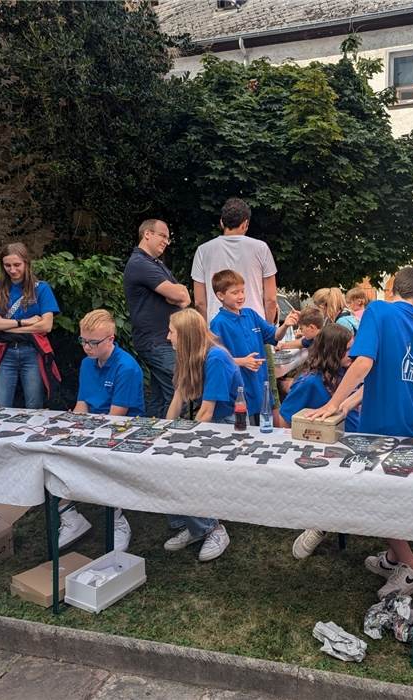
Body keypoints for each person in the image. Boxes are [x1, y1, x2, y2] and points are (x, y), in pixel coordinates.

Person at [309, 266, 413, 598]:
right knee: (393, 493)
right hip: (409, 418)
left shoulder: (378, 309)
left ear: (393, 289)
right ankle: (395, 556)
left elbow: (364, 362)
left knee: (380, 497)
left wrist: (333, 402)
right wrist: (348, 403)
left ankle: (412, 567)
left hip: (385, 424)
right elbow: (389, 371)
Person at [58, 309, 142, 551]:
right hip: (93, 426)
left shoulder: (127, 367)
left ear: (111, 339)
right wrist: (71, 426)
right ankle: (69, 515)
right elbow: (82, 403)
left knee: (100, 463)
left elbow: (117, 416)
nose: (87, 347)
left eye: (93, 342)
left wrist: (83, 431)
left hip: (123, 430)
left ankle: (117, 521)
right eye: (83, 341)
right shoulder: (87, 364)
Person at [164, 308, 239, 561]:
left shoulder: (216, 358)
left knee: (184, 468)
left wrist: (180, 440)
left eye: (172, 332)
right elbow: (178, 397)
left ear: (185, 335)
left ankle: (212, 528)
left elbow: (207, 412)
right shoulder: (190, 354)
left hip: (228, 426)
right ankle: (194, 526)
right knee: (163, 463)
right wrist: (164, 432)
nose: (167, 337)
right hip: (212, 423)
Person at [281, 324, 362, 559]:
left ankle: (326, 521)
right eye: (348, 350)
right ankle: (320, 524)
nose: (353, 355)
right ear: (332, 351)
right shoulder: (309, 381)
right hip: (325, 453)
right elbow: (286, 421)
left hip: (355, 442)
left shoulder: (346, 372)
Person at [124, 218, 191, 418]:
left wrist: (174, 293)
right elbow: (179, 295)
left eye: (168, 238)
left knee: (161, 397)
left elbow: (183, 296)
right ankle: (174, 440)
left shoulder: (155, 264)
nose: (166, 242)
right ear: (147, 234)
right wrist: (174, 294)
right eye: (162, 235)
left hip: (163, 341)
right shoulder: (139, 263)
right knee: (180, 395)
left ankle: (152, 438)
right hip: (156, 341)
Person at [209, 270, 298, 420]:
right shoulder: (218, 323)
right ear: (221, 296)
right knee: (244, 432)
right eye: (235, 292)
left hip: (260, 386)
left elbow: (274, 336)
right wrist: (242, 362)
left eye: (243, 291)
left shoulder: (250, 314)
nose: (241, 296)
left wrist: (285, 326)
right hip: (238, 390)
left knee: (264, 429)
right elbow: (213, 359)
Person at [0, 243, 60, 408]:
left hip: (32, 351)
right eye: (7, 265)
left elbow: (46, 326)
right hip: (5, 351)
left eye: (17, 265)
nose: (12, 270)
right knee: (1, 404)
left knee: (34, 405)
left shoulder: (41, 289)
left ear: (26, 263)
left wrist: (3, 325)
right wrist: (23, 322)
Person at [191, 198, 278, 324]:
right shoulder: (261, 248)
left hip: (217, 327)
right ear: (245, 224)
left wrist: (207, 332)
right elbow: (271, 299)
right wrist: (267, 328)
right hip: (254, 326)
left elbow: (199, 302)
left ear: (221, 222)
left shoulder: (203, 251)